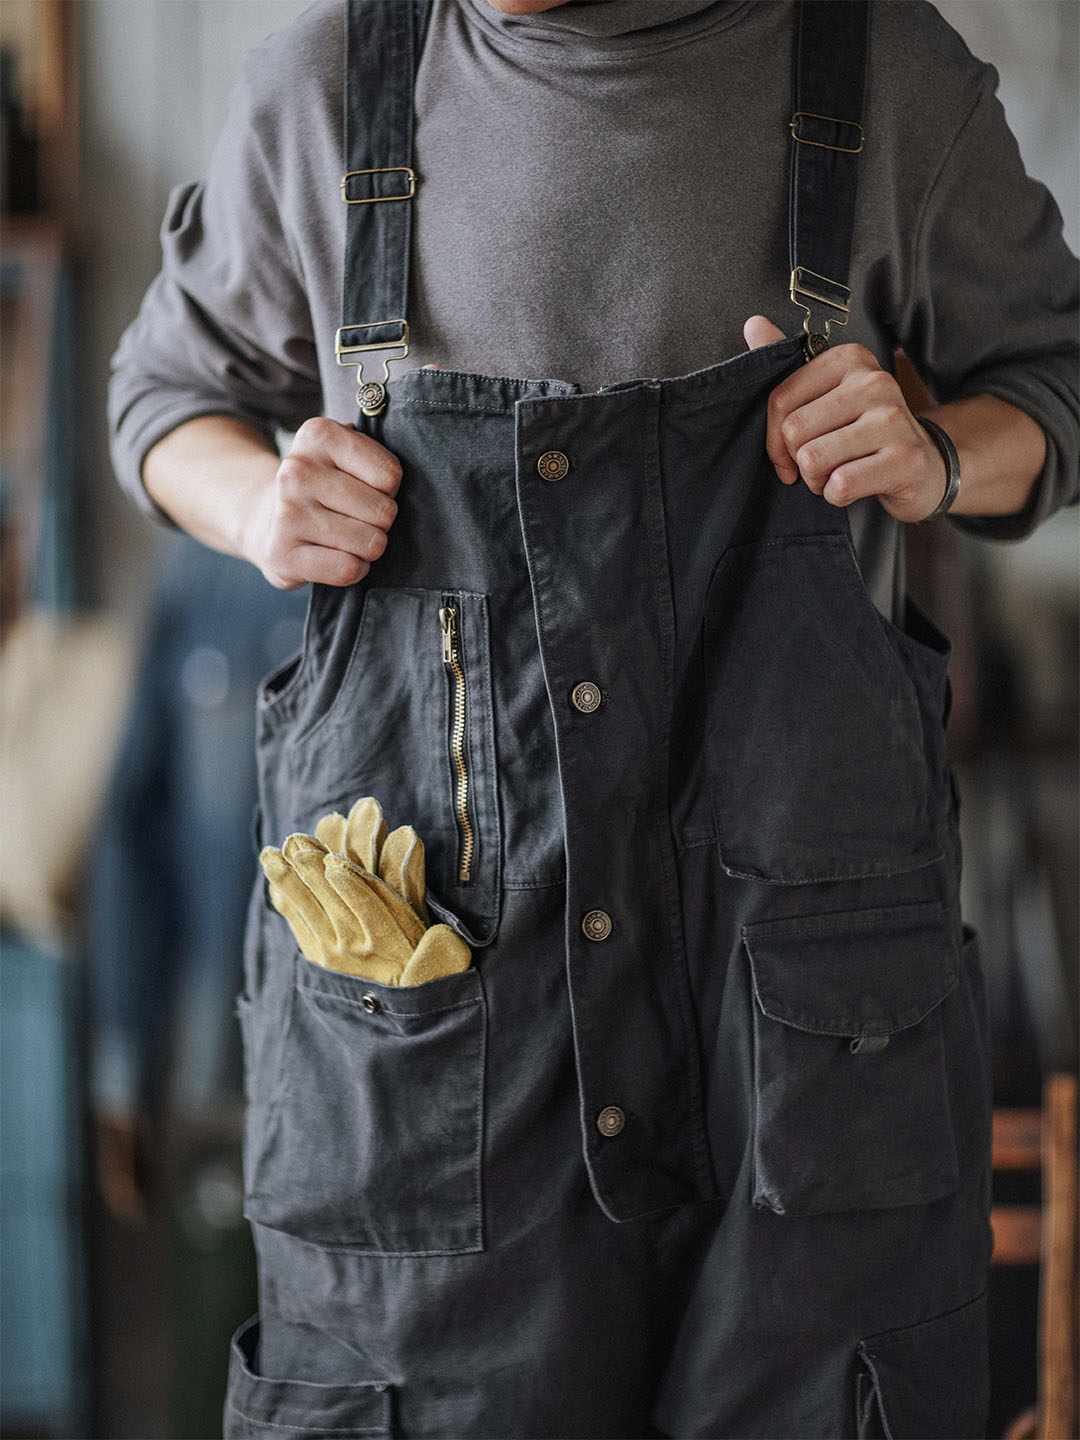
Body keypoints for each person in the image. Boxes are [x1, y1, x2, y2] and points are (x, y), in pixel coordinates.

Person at [109, 1, 1079, 1435]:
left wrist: (938, 456)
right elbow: (162, 396)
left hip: (806, 1046)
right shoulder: (330, 89)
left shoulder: (877, 68)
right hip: (436, 1068)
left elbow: (1057, 382)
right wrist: (258, 501)